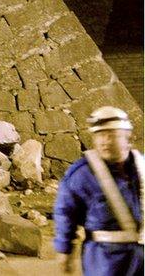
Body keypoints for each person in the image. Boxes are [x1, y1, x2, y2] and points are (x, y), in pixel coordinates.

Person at [54, 106, 143, 275]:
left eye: (112, 135)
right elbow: (66, 212)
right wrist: (64, 249)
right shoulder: (82, 174)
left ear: (128, 138)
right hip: (105, 258)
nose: (105, 141)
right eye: (100, 135)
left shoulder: (142, 167)